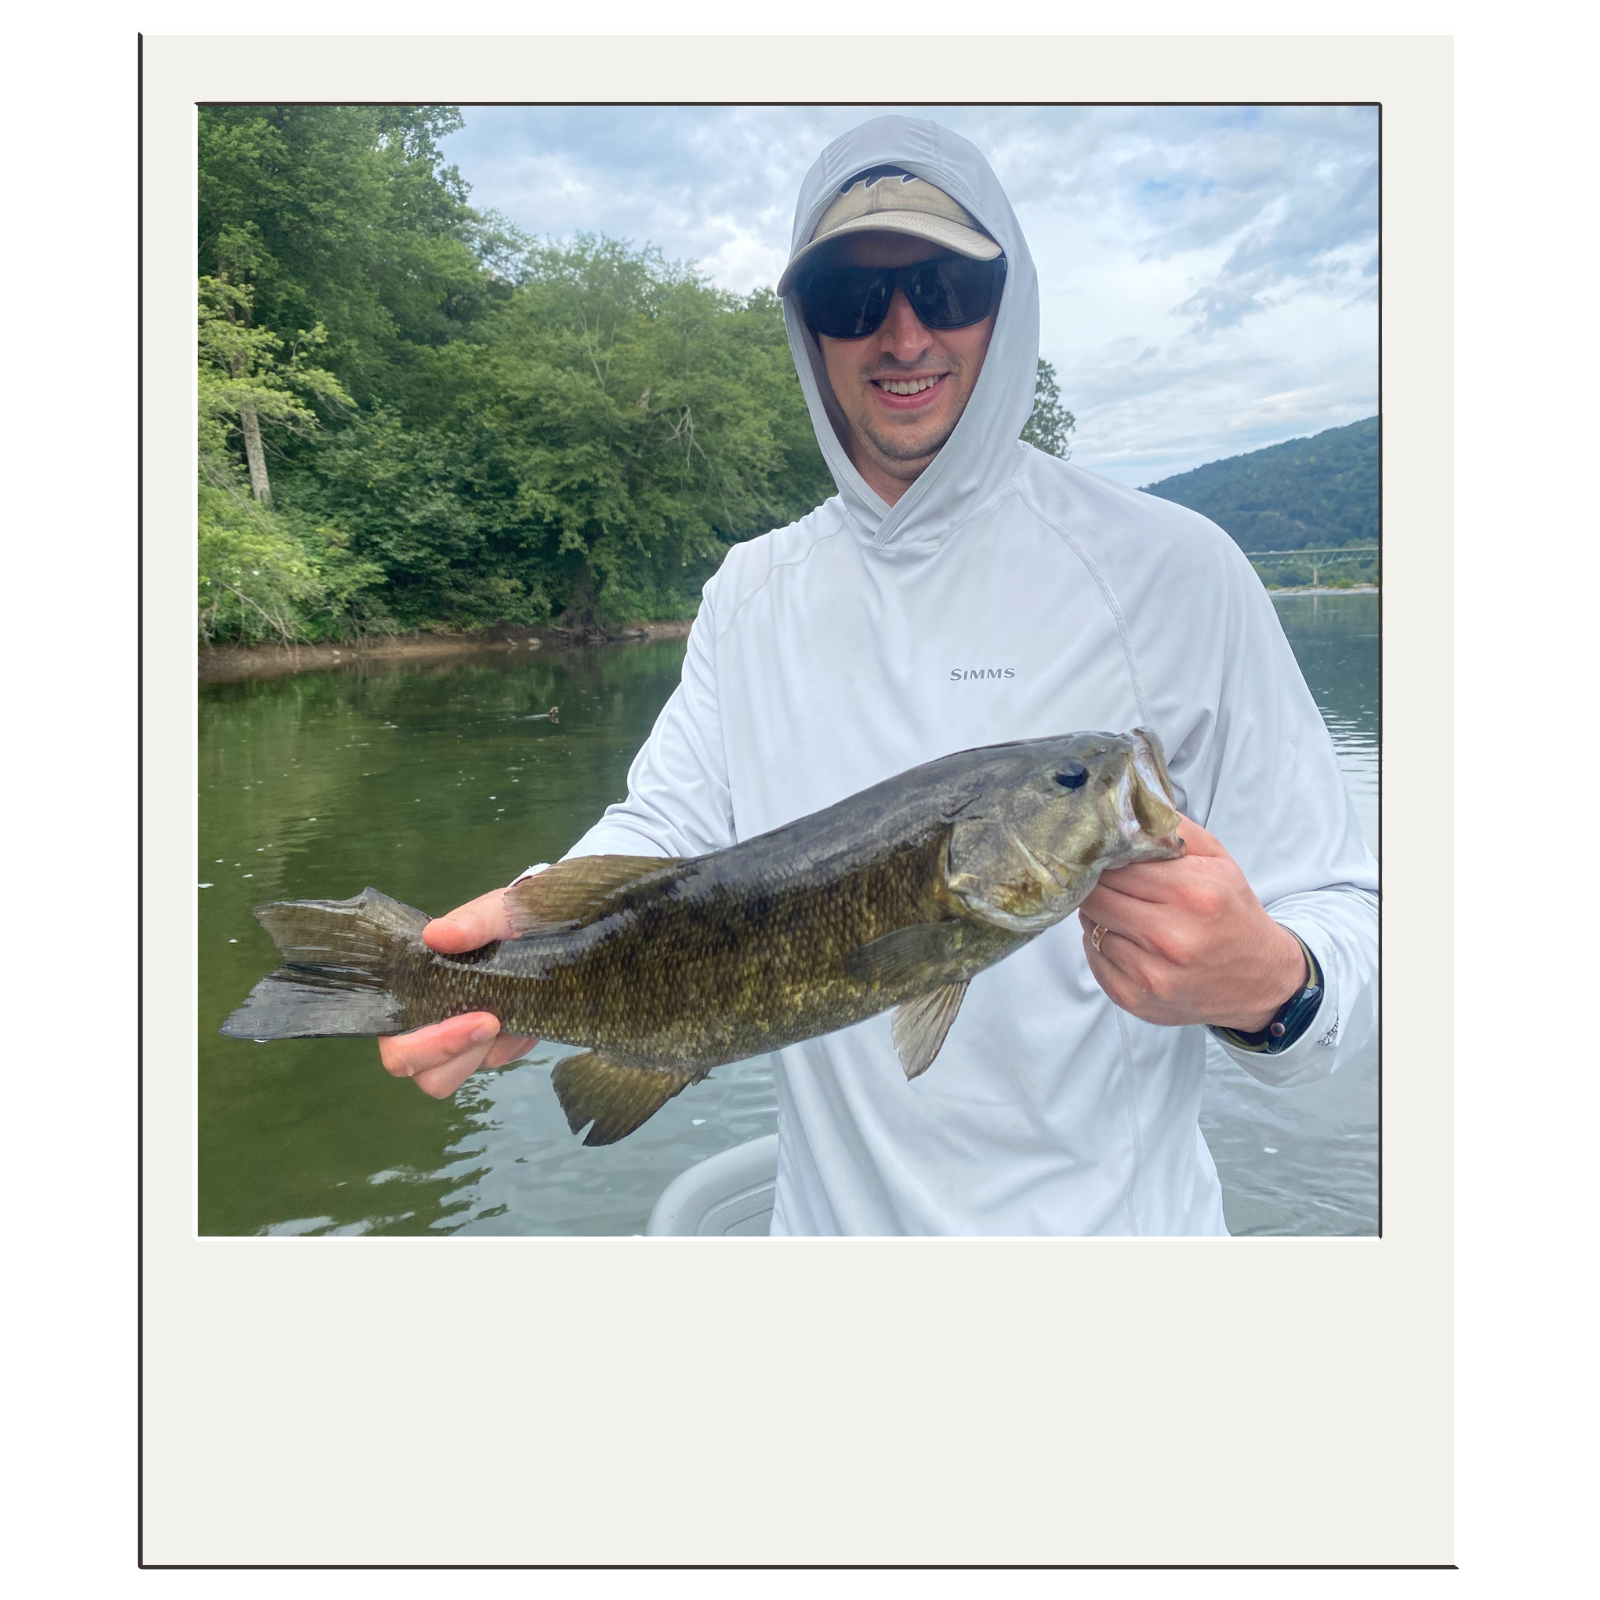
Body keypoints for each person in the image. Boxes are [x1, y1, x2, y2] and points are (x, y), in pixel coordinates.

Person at [377, 116, 1379, 1236]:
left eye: (946, 287)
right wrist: (519, 941)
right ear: (807, 327)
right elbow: (662, 830)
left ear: (1008, 300)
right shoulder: (751, 591)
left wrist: (1272, 986)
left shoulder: (1177, 571)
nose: (903, 334)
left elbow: (1351, 926)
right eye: (854, 298)